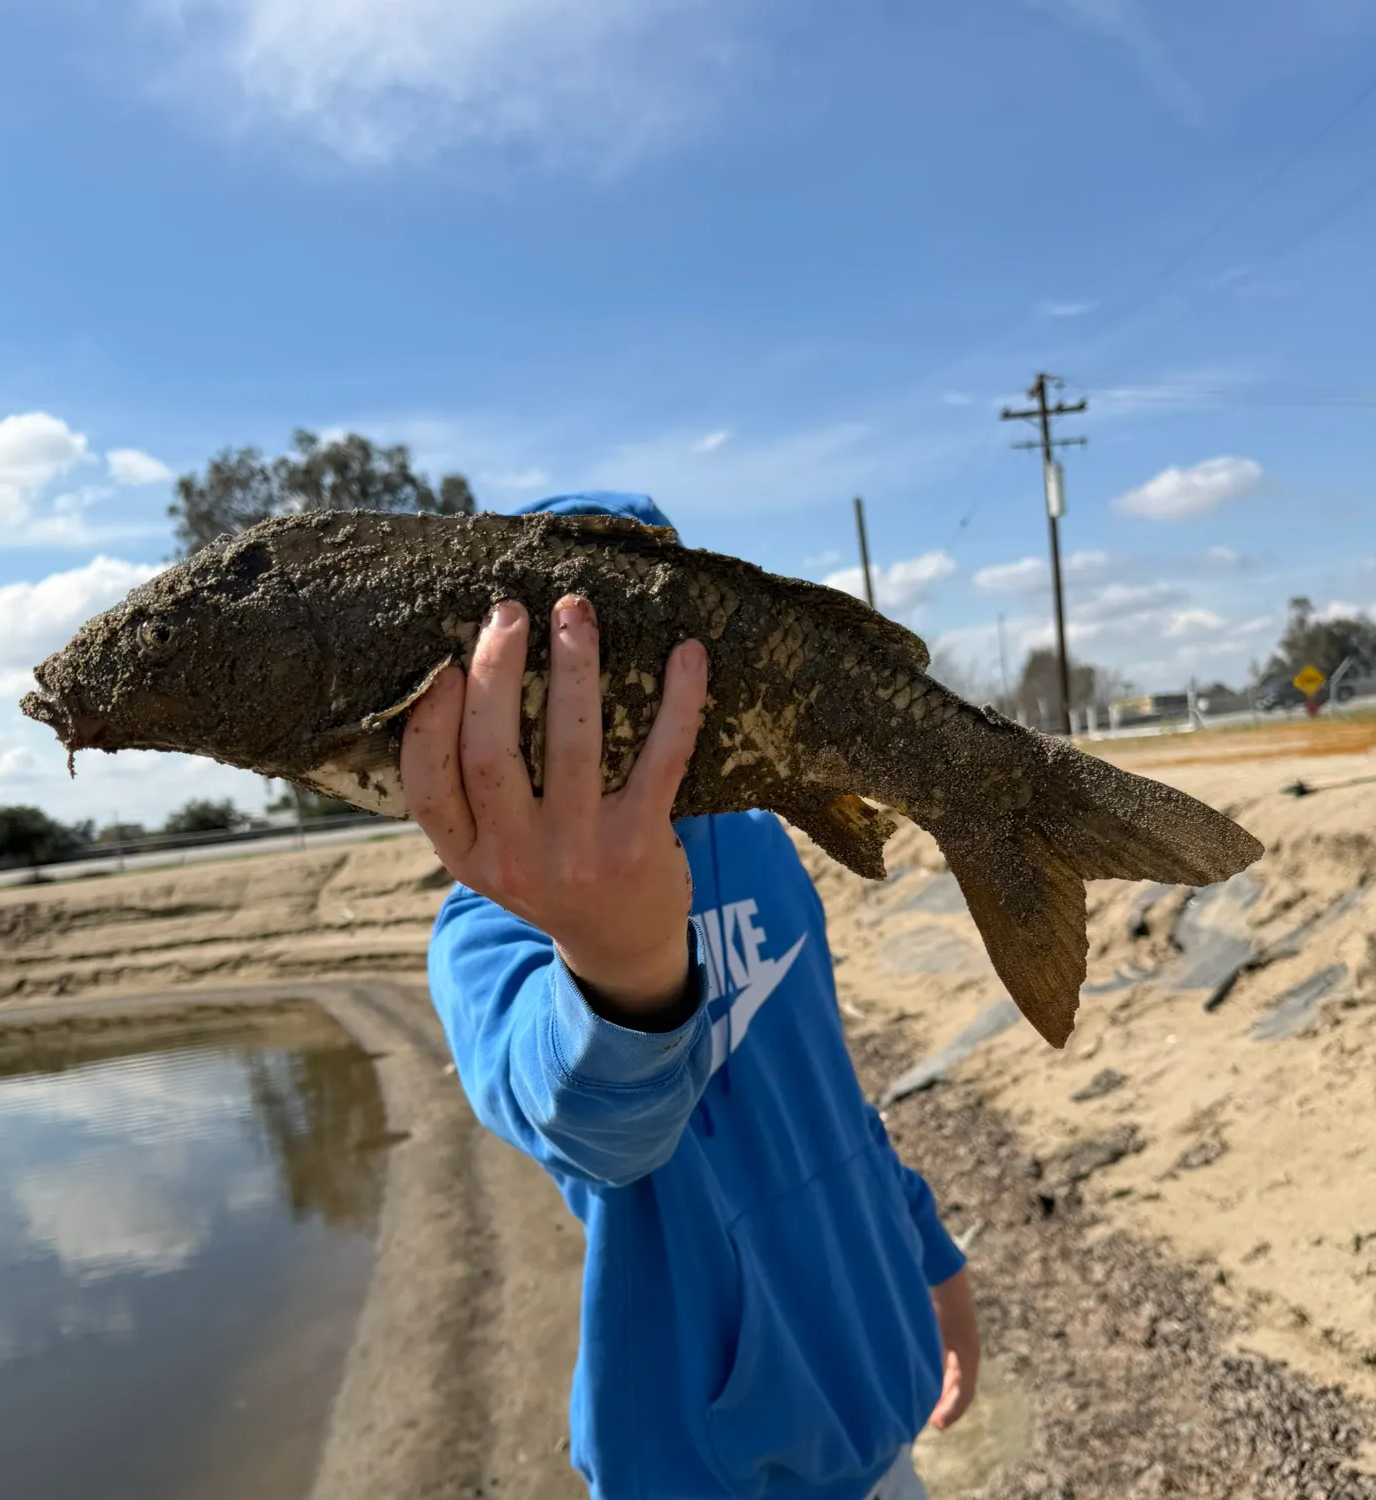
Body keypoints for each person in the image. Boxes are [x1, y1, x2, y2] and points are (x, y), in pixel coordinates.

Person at [403, 491, 980, 1500]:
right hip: (707, 1469)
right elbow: (591, 1128)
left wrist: (927, 1254)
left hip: (880, 1410)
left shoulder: (761, 838)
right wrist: (617, 970)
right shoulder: (489, 926)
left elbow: (830, 1089)